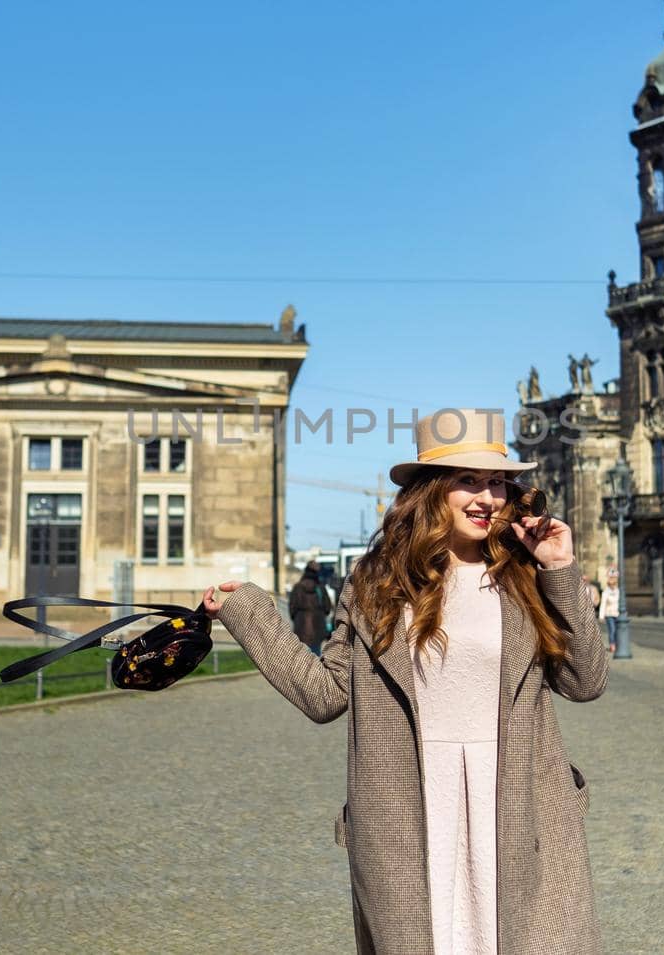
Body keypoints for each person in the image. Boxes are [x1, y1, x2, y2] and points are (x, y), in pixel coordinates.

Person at [204, 408, 606, 954]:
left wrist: (559, 568)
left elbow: (585, 680)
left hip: (517, 803)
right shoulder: (376, 583)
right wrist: (247, 612)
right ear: (430, 491)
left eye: (497, 483)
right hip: (406, 805)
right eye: (468, 481)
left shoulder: (526, 577)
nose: (486, 498)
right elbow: (325, 695)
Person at [289, 561, 333, 656]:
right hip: (318, 627)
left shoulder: (298, 587)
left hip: (301, 627)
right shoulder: (320, 587)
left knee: (302, 656)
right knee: (316, 657)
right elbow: (328, 607)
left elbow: (292, 608)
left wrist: (298, 619)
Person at [599, 575, 621, 657]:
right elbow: (603, 604)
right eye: (611, 584)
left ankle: (617, 643)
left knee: (617, 630)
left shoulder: (618, 591)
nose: (613, 585)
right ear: (608, 584)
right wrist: (601, 616)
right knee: (612, 630)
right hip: (609, 614)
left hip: (617, 614)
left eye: (614, 583)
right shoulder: (605, 592)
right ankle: (612, 645)